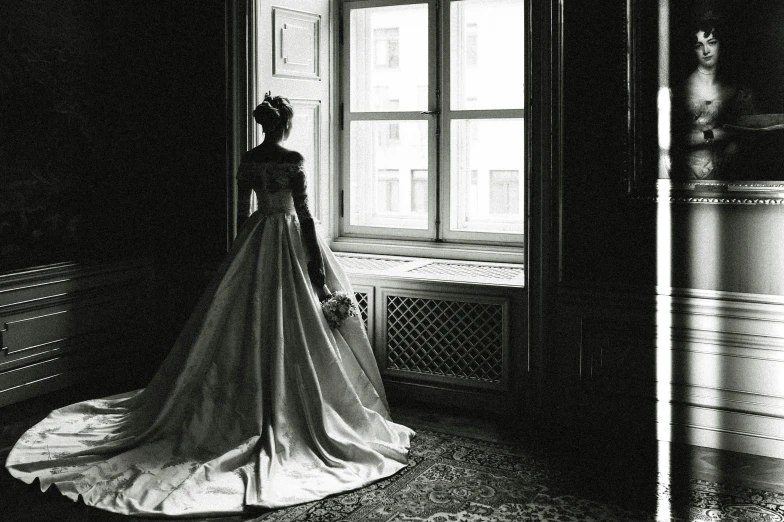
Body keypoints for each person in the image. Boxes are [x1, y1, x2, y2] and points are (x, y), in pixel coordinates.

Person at [5, 95, 415, 517]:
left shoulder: (250, 159)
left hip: (256, 241)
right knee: (294, 329)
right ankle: (292, 411)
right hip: (289, 240)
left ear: (263, 124)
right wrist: (317, 274)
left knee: (242, 327)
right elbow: (306, 216)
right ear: (286, 124)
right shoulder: (292, 158)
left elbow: (242, 214)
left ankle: (245, 405)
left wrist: (241, 258)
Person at [669, 17, 755, 180]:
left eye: (712, 42)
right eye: (699, 45)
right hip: (686, 176)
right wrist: (716, 134)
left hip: (724, 177)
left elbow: (745, 136)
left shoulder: (734, 90)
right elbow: (676, 139)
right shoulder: (682, 91)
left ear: (720, 44)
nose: (706, 51)